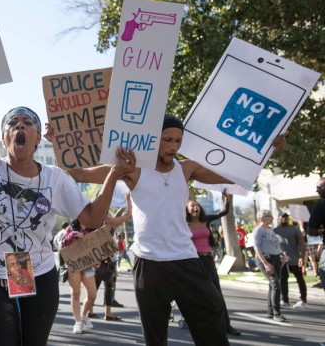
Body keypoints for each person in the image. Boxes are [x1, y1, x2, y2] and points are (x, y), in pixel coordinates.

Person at [46, 114, 288, 346]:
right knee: (155, 333)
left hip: (185, 259)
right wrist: (56, 143)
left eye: (178, 141)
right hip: (149, 264)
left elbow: (233, 174)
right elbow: (78, 173)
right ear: (153, 140)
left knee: (212, 319)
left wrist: (268, 151)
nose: (173, 146)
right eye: (167, 139)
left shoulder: (187, 169)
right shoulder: (132, 169)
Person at [0, 90, 129, 346]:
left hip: (39, 276)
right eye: (12, 123)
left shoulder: (55, 178)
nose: (19, 125)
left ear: (38, 137)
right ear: (4, 137)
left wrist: (114, 175)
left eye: (28, 123)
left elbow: (93, 219)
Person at [186, 192, 241, 336]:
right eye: (192, 206)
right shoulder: (185, 224)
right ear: (187, 210)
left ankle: (226, 325)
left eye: (196, 206)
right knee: (196, 292)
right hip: (194, 261)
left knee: (216, 292)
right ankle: (193, 321)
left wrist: (226, 201)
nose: (195, 208)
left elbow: (223, 212)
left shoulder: (206, 220)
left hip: (208, 259)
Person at [60, 219, 98, 334]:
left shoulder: (93, 228)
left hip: (88, 264)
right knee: (75, 293)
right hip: (73, 264)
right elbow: (62, 243)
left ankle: (83, 315)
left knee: (92, 295)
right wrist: (75, 235)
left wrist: (98, 259)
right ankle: (77, 322)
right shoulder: (70, 229)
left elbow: (98, 244)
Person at [254, 209, 288, 322]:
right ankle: (277, 314)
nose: (272, 218)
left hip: (276, 258)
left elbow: (275, 245)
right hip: (266, 259)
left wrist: (282, 255)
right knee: (276, 285)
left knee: (272, 285)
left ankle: (270, 312)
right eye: (269, 216)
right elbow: (257, 248)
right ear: (262, 218)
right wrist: (265, 263)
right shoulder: (258, 230)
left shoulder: (270, 230)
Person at [274, 212, 307, 309]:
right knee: (283, 279)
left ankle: (303, 300)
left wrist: (302, 257)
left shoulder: (294, 229)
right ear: (278, 218)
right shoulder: (275, 231)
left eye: (286, 217)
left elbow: (302, 244)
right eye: (282, 217)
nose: (284, 218)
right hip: (282, 260)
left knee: (300, 279)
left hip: (295, 259)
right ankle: (285, 301)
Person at [307, 177, 325, 290]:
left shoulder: (320, 206)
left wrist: (320, 231)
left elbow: (311, 232)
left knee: (323, 270)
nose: (316, 191)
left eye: (318, 188)